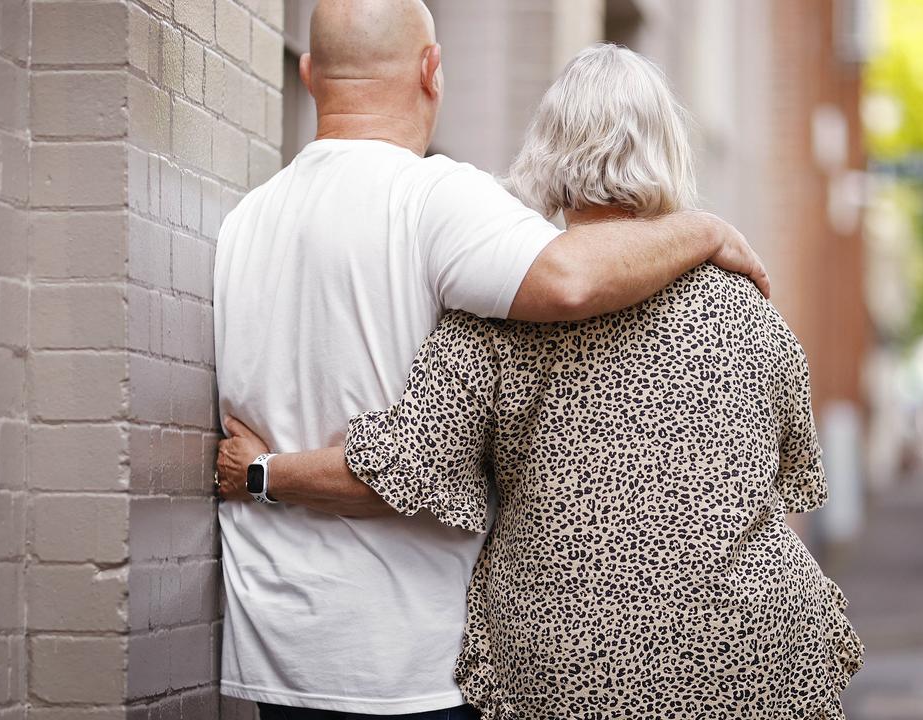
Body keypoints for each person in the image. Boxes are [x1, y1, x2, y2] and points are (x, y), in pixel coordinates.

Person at [219, 44, 862, 719]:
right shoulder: (748, 307)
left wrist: (261, 471)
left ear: (551, 155)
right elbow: (788, 478)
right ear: (670, 154)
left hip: (565, 665)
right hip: (755, 653)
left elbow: (399, 467)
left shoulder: (503, 311)